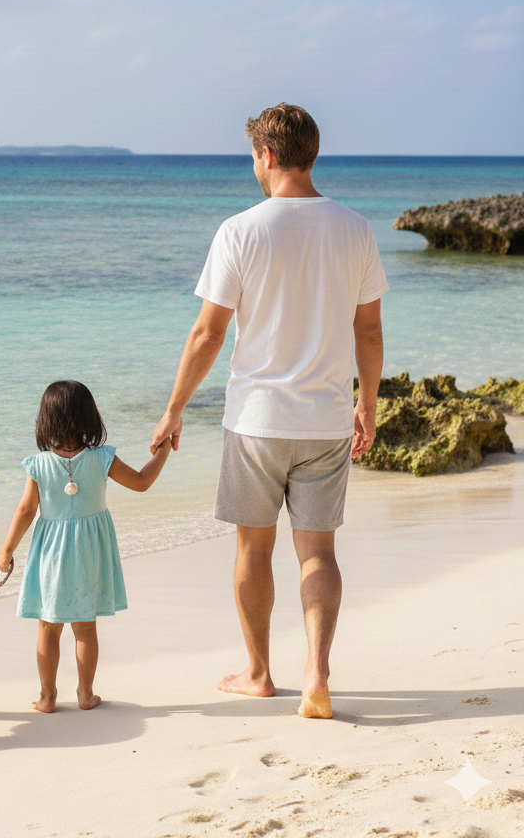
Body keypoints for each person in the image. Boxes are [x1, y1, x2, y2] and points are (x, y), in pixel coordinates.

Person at [151, 103, 387, 720]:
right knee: (319, 555)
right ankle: (316, 674)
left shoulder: (240, 230)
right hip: (326, 421)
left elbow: (207, 334)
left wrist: (174, 409)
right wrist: (368, 404)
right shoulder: (356, 229)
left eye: (253, 154)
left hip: (255, 422)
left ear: (267, 155)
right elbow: (370, 332)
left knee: (253, 551)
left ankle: (259, 673)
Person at [0, 380, 171, 713]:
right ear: (90, 417)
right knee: (86, 626)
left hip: (51, 553)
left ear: (45, 421)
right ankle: (85, 694)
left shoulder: (38, 465)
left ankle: (47, 696)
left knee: (48, 626)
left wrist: (6, 551)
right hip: (90, 551)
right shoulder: (102, 458)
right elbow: (142, 482)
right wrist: (162, 453)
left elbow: (25, 510)